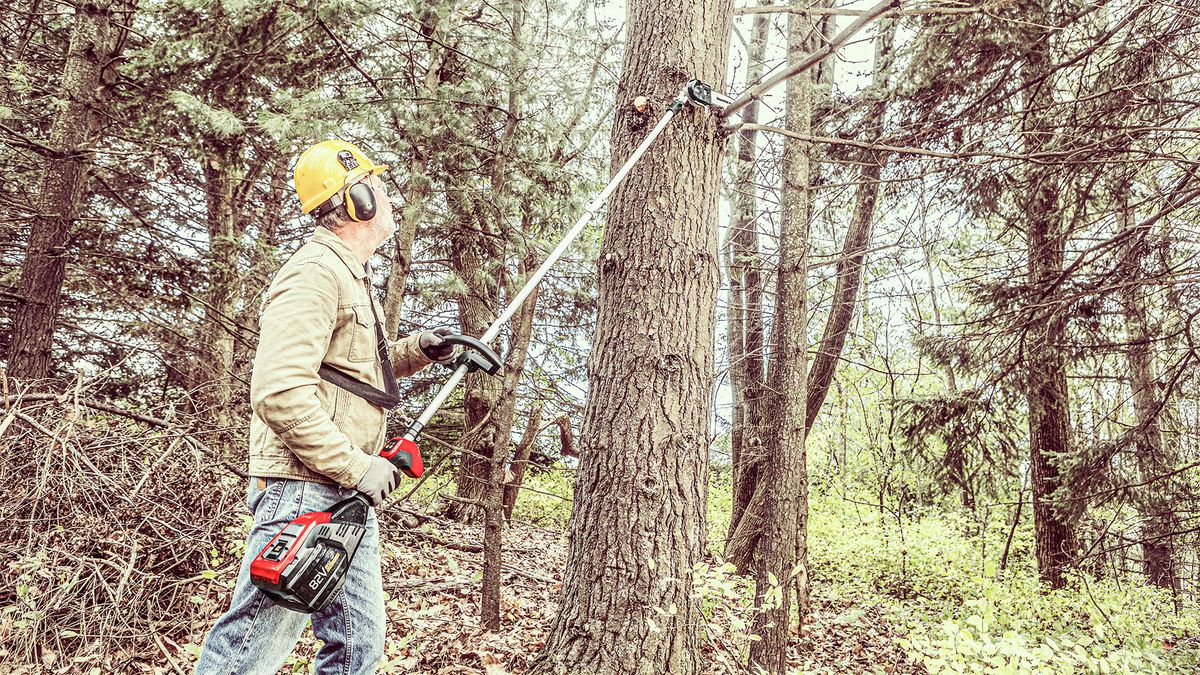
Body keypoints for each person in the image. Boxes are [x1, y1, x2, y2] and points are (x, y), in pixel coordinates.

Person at [195, 140, 453, 674]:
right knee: (249, 650)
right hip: (304, 487)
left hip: (341, 491)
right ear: (356, 200)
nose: (386, 195)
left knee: (358, 647)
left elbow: (350, 374)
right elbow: (279, 391)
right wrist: (360, 467)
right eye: (377, 187)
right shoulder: (313, 272)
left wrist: (420, 350)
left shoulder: (348, 275)